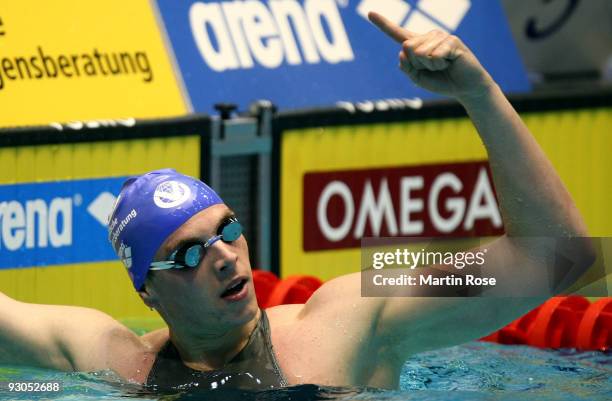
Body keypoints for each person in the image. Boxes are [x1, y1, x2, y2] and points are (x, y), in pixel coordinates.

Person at [0, 12, 594, 391]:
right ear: (145, 290)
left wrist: (478, 91)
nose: (228, 257)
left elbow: (559, 258)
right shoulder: (113, 356)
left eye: (228, 229)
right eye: (188, 254)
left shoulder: (351, 315)